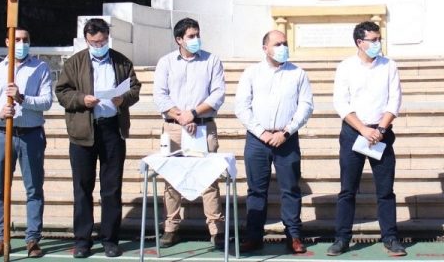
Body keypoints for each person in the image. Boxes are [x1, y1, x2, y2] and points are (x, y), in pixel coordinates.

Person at [56, 18, 141, 259]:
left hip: (113, 130)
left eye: (103, 40)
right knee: (82, 188)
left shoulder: (121, 60)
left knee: (111, 188)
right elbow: (62, 92)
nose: (99, 45)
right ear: (87, 40)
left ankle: (110, 239)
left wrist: (122, 99)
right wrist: (82, 100)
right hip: (83, 131)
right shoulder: (74, 62)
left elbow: (135, 88)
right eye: (95, 42)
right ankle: (82, 240)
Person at [329, 21, 406, 257]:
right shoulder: (346, 67)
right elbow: (341, 102)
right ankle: (342, 238)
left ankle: (390, 238)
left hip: (381, 132)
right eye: (372, 40)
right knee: (347, 190)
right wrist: (363, 129)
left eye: (378, 38)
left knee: (385, 190)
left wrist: (380, 129)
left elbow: (395, 100)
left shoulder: (389, 66)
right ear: (360, 42)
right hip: (354, 132)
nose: (377, 43)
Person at [235, 30, 314, 254]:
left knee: (290, 189)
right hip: (258, 140)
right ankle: (253, 236)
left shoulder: (298, 73)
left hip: (286, 139)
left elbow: (306, 106)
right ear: (265, 48)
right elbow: (242, 106)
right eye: (278, 44)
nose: (283, 47)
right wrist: (262, 133)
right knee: (256, 190)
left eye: (285, 43)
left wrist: (286, 132)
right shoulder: (251, 73)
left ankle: (294, 236)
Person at [152, 17, 226, 248]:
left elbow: (217, 94)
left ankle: (216, 229)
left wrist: (192, 113)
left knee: (209, 178)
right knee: (172, 178)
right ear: (179, 40)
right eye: (191, 36)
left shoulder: (211, 60)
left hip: (203, 125)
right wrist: (181, 117)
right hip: (173, 127)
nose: (196, 39)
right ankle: (171, 227)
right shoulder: (165, 62)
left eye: (197, 35)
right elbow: (160, 95)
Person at [0, 28, 52, 259]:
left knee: (33, 189)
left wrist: (22, 98)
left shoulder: (40, 68)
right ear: (8, 42)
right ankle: (1, 238)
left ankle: (32, 239)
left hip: (30, 135)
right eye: (17, 40)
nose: (21, 43)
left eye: (25, 40)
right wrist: (0, 112)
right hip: (2, 134)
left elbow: (47, 101)